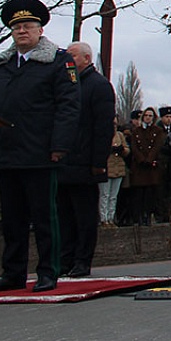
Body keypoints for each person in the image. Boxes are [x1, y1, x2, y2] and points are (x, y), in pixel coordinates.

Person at [0, 0, 79, 294]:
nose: (22, 31)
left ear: (40, 30)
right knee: (11, 219)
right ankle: (13, 272)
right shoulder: (1, 67)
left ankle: (48, 271)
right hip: (7, 153)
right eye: (17, 27)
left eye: (28, 26)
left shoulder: (59, 62)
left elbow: (69, 107)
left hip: (40, 152)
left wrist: (59, 145)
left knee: (44, 217)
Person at [56, 41, 115, 278]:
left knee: (85, 216)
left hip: (85, 163)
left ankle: (82, 260)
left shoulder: (99, 86)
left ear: (87, 58)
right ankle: (64, 259)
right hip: (63, 160)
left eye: (72, 56)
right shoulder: (65, 84)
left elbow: (103, 128)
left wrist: (98, 162)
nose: (67, 61)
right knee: (64, 216)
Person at [127, 107, 165, 226]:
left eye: (150, 116)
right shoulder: (136, 131)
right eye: (146, 115)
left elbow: (157, 147)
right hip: (139, 166)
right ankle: (138, 216)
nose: (148, 117)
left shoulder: (157, 131)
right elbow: (134, 147)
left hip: (151, 166)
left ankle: (147, 216)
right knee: (138, 194)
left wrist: (149, 159)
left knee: (149, 193)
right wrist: (141, 159)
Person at [99, 119, 128, 226]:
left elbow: (127, 150)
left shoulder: (120, 135)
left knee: (113, 196)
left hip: (118, 169)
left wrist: (122, 150)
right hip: (106, 168)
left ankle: (111, 217)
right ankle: (103, 218)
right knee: (104, 195)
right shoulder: (102, 135)